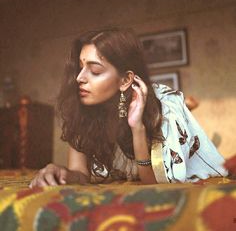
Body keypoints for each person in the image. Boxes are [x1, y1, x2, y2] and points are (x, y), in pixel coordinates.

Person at [30, 27, 228, 188]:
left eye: (95, 70)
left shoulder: (165, 106)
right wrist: (62, 173)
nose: (80, 78)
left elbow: (156, 183)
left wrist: (138, 129)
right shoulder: (84, 111)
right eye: (80, 68)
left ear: (125, 80)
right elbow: (81, 174)